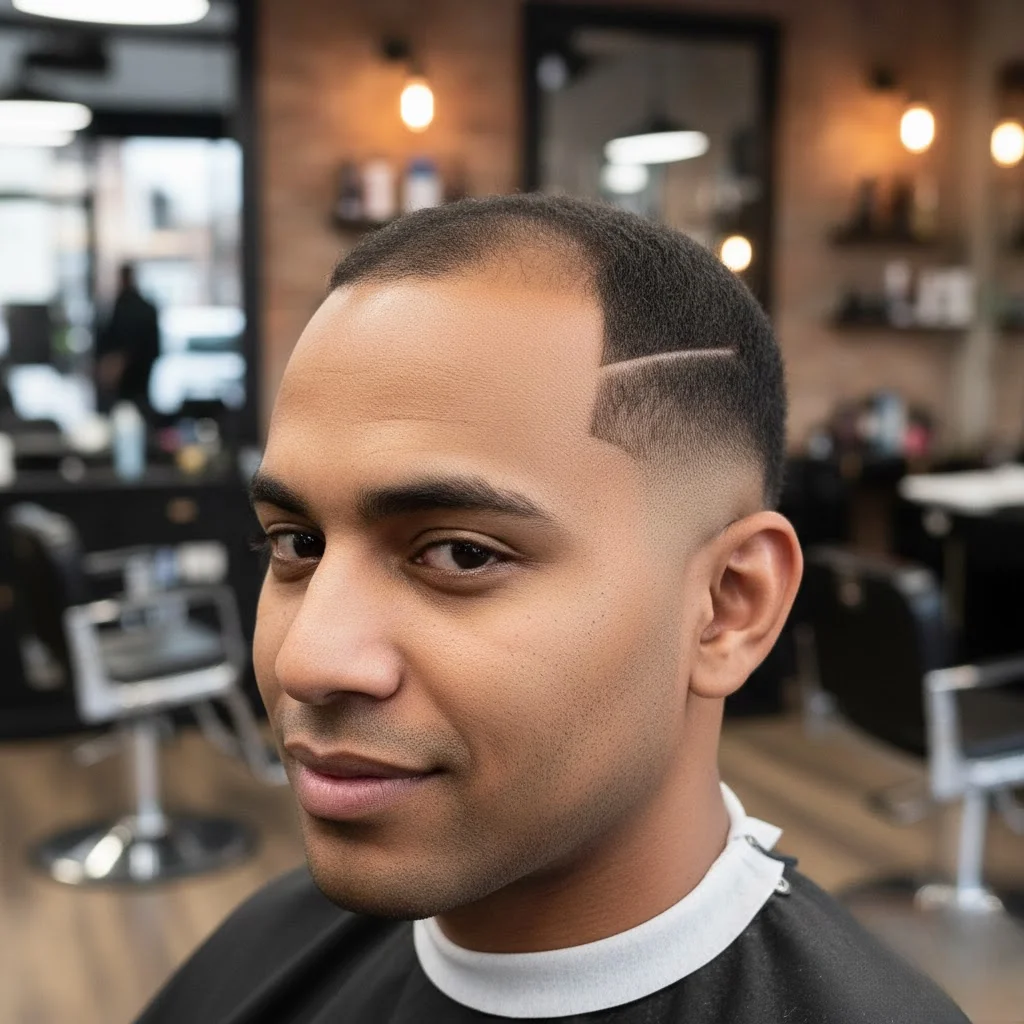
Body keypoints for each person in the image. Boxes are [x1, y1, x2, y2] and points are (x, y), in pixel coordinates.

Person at [135, 195, 969, 1023]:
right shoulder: (265, 951)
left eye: (461, 554)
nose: (304, 659)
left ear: (727, 606)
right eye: (297, 545)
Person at [95, 262, 160, 417]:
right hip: (137, 372)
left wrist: (117, 361)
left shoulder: (125, 307)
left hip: (132, 372)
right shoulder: (139, 306)